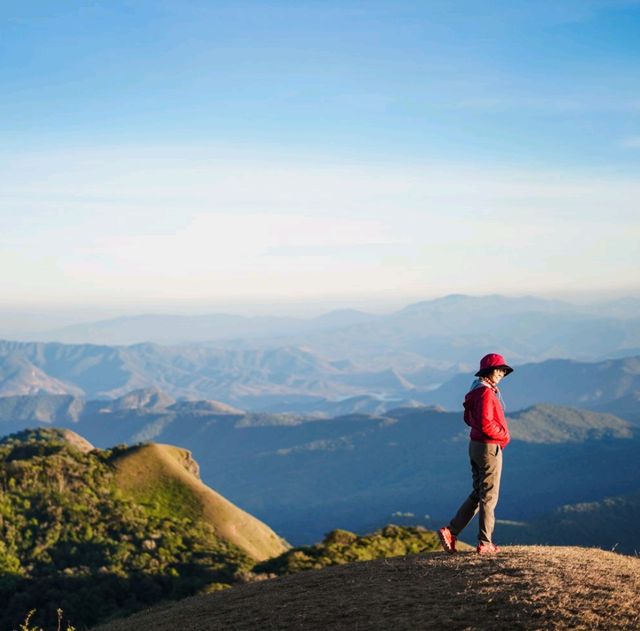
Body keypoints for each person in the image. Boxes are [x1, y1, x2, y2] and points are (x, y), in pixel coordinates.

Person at [438, 353, 514, 555]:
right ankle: (485, 542)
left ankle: (451, 531)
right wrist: (504, 435)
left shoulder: (476, 391)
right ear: (489, 371)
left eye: (504, 371)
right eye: (499, 370)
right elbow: (485, 423)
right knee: (489, 495)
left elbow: (469, 419)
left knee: (479, 493)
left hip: (476, 446)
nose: (502, 374)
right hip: (489, 447)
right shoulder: (486, 393)